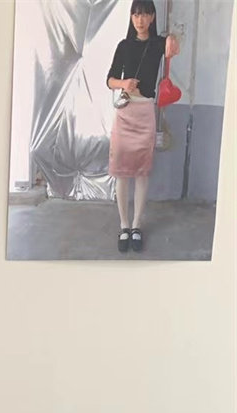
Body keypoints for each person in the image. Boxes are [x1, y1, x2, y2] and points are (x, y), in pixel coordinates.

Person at [106, 0, 179, 253]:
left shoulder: (158, 43)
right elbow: (109, 79)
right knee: (121, 171)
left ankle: (136, 225)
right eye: (135, 14)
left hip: (146, 111)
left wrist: (172, 37)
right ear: (131, 17)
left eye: (145, 14)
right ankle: (124, 225)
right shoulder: (123, 46)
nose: (140, 19)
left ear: (152, 17)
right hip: (125, 113)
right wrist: (123, 83)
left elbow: (173, 45)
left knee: (141, 171)